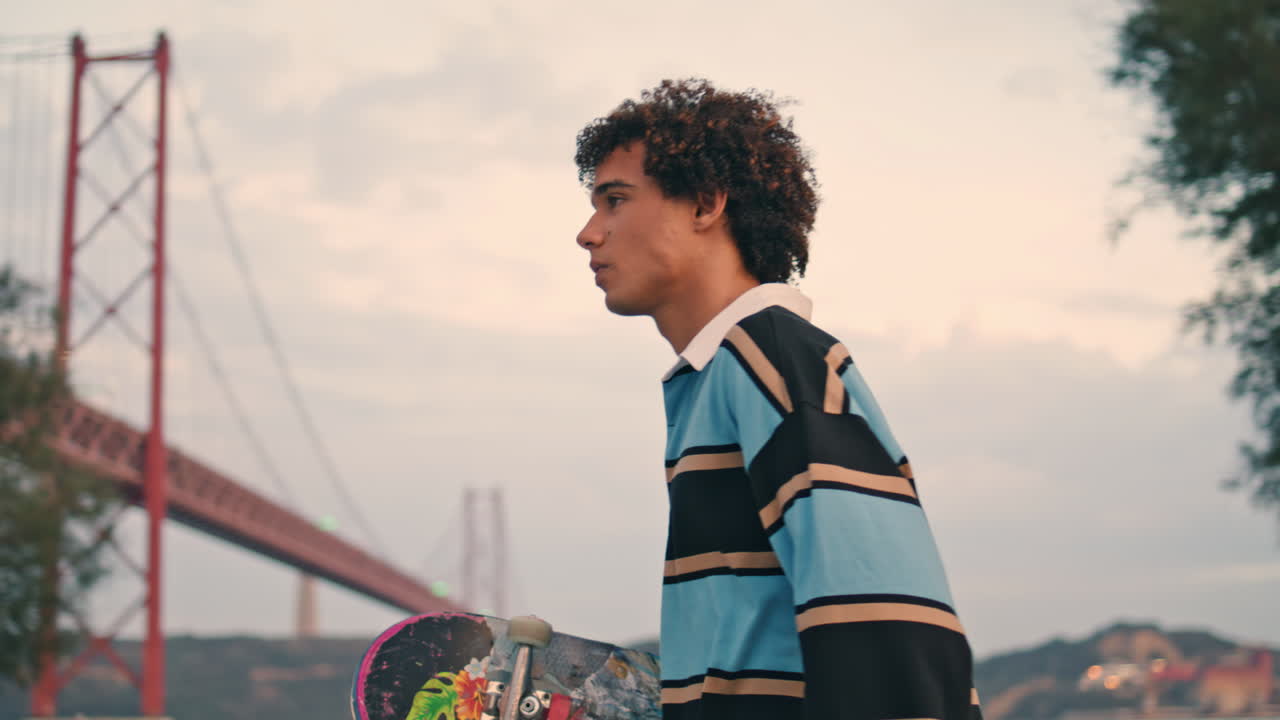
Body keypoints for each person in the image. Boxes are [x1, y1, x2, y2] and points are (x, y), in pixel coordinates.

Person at [573, 78, 982, 720]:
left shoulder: (770, 359)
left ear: (705, 204)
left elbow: (888, 619)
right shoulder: (717, 379)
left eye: (614, 200)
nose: (588, 233)